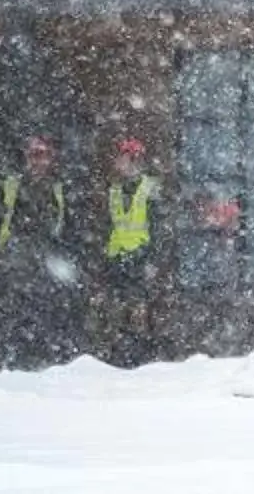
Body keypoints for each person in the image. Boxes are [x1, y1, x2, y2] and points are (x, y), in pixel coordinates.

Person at [0, 134, 80, 366]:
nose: (38, 162)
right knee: (17, 312)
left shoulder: (60, 187)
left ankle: (49, 358)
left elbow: (71, 224)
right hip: (18, 257)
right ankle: (16, 360)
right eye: (34, 155)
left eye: (44, 155)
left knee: (49, 311)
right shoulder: (11, 186)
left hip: (50, 258)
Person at [92, 135, 162, 365]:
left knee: (138, 312)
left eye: (124, 158)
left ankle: (140, 359)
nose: (119, 163)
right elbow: (109, 225)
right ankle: (118, 357)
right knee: (115, 312)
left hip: (140, 257)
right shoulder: (114, 189)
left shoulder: (148, 188)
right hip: (117, 259)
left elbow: (159, 226)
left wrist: (152, 258)